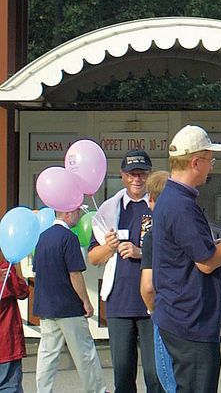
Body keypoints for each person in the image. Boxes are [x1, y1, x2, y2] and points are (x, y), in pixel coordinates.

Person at [151, 124, 221, 393]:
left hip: (186, 316)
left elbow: (197, 250)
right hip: (189, 319)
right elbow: (206, 262)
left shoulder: (176, 199)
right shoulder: (180, 204)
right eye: (210, 160)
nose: (212, 166)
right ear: (195, 162)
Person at [88, 149, 162, 393]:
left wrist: (142, 253)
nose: (137, 179)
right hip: (119, 302)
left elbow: (175, 251)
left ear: (150, 175)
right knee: (122, 375)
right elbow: (93, 257)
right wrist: (108, 247)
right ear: (122, 176)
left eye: (142, 174)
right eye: (132, 174)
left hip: (153, 301)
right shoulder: (109, 209)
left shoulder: (160, 206)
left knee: (155, 374)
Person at [33, 206, 107, 393]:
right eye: (77, 212)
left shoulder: (42, 237)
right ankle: (97, 390)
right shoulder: (69, 238)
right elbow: (75, 274)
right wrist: (86, 302)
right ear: (68, 213)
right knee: (84, 353)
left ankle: (43, 390)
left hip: (46, 305)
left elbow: (37, 270)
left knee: (47, 355)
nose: (79, 216)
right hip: (68, 306)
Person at [139, 170, 176, 393]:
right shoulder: (188, 223)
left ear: (152, 199)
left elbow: (148, 286)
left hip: (165, 312)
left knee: (168, 379)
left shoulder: (153, 235)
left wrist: (154, 311)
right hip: (192, 315)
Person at [0, 253, 29, 392]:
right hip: (6, 344)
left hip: (7, 345)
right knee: (9, 387)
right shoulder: (5, 271)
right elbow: (22, 291)